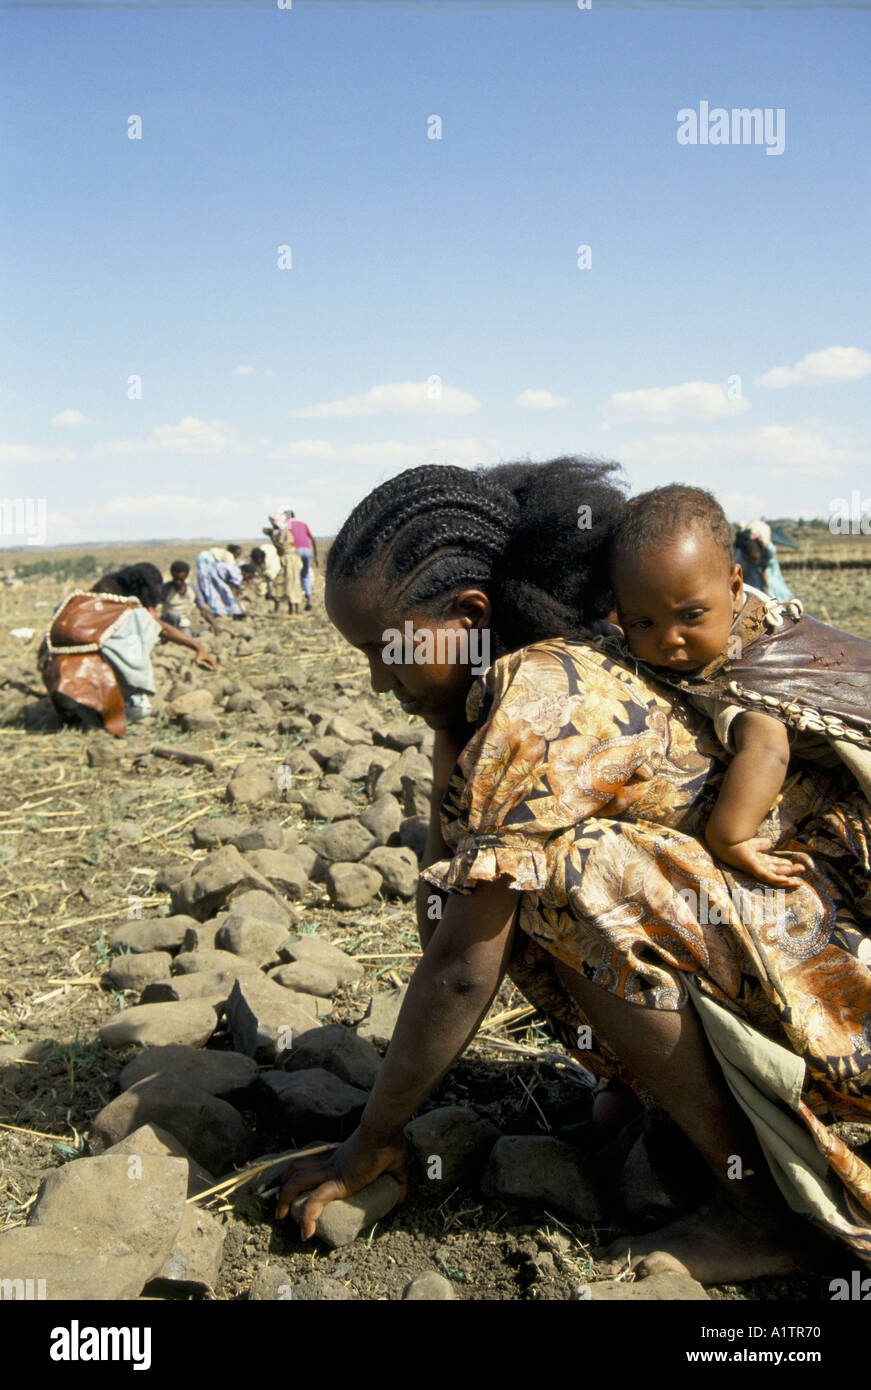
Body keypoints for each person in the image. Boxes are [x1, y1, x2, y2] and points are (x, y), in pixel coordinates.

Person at [276, 460, 871, 1285]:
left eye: (388, 652)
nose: (380, 680)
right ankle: (665, 1105)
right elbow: (444, 912)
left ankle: (762, 1216)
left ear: (470, 615)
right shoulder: (597, 652)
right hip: (826, 962)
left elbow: (455, 964)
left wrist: (370, 1140)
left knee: (562, 881)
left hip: (847, 1006)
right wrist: (449, 735)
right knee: (510, 877)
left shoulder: (543, 695)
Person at [608, 485, 871, 886]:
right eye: (644, 623)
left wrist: (728, 838)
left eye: (691, 616)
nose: (669, 639)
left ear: (734, 590)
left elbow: (768, 749)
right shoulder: (729, 613)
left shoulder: (742, 664)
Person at [39, 562, 218, 735]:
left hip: (58, 686)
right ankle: (132, 700)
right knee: (137, 635)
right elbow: (161, 628)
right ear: (144, 587)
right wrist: (196, 646)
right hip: (89, 691)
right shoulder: (124, 612)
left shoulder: (74, 605)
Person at [735, 520, 794, 601]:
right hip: (755, 587)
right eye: (752, 558)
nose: (754, 560)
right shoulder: (743, 561)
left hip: (773, 587)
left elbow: (770, 550)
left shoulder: (768, 557)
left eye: (755, 558)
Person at [159, 560, 219, 636]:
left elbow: (203, 610)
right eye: (176, 579)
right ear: (172, 575)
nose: (178, 582)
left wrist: (215, 626)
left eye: (181, 579)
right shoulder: (165, 588)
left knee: (187, 639)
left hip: (183, 624)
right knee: (173, 615)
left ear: (186, 576)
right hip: (167, 623)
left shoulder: (193, 588)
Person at [263, 518, 304, 615]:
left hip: (289, 559)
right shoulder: (283, 531)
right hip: (287, 559)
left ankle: (292, 610)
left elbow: (280, 545)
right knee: (280, 583)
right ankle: (287, 610)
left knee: (291, 583)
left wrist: (272, 537)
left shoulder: (283, 532)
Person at [196, 545, 245, 618]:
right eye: (237, 554)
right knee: (212, 585)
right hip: (207, 560)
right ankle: (215, 609)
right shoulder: (229, 557)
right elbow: (232, 571)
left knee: (206, 582)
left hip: (201, 557)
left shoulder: (223, 553)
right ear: (233, 552)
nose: (237, 556)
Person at [286, 510, 318, 610]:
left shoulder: (287, 525)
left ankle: (294, 605)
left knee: (294, 577)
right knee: (305, 576)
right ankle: (308, 598)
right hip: (308, 551)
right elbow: (312, 539)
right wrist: (316, 556)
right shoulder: (303, 524)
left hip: (296, 552)